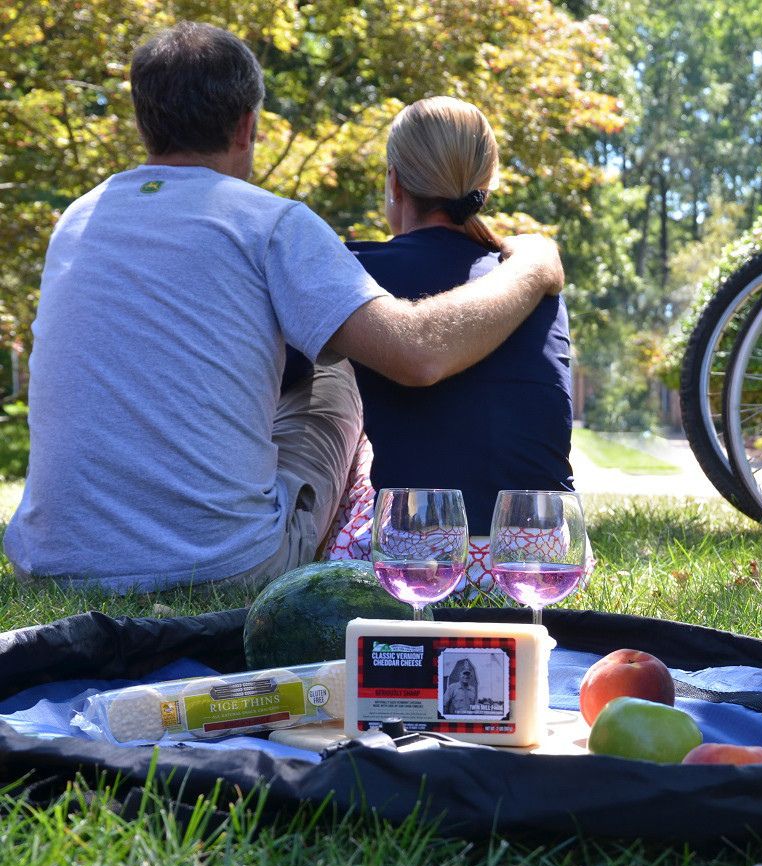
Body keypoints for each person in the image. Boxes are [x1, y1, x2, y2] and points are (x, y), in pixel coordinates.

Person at [2, 23, 563, 594]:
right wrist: (532, 265)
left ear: (143, 121)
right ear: (248, 125)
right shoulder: (268, 223)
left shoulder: (76, 220)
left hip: (50, 567)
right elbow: (416, 355)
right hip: (223, 568)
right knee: (334, 363)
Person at [325, 97, 577, 593]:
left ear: (394, 181)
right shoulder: (532, 281)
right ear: (485, 185)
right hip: (542, 559)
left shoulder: (356, 273)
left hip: (420, 562)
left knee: (333, 392)